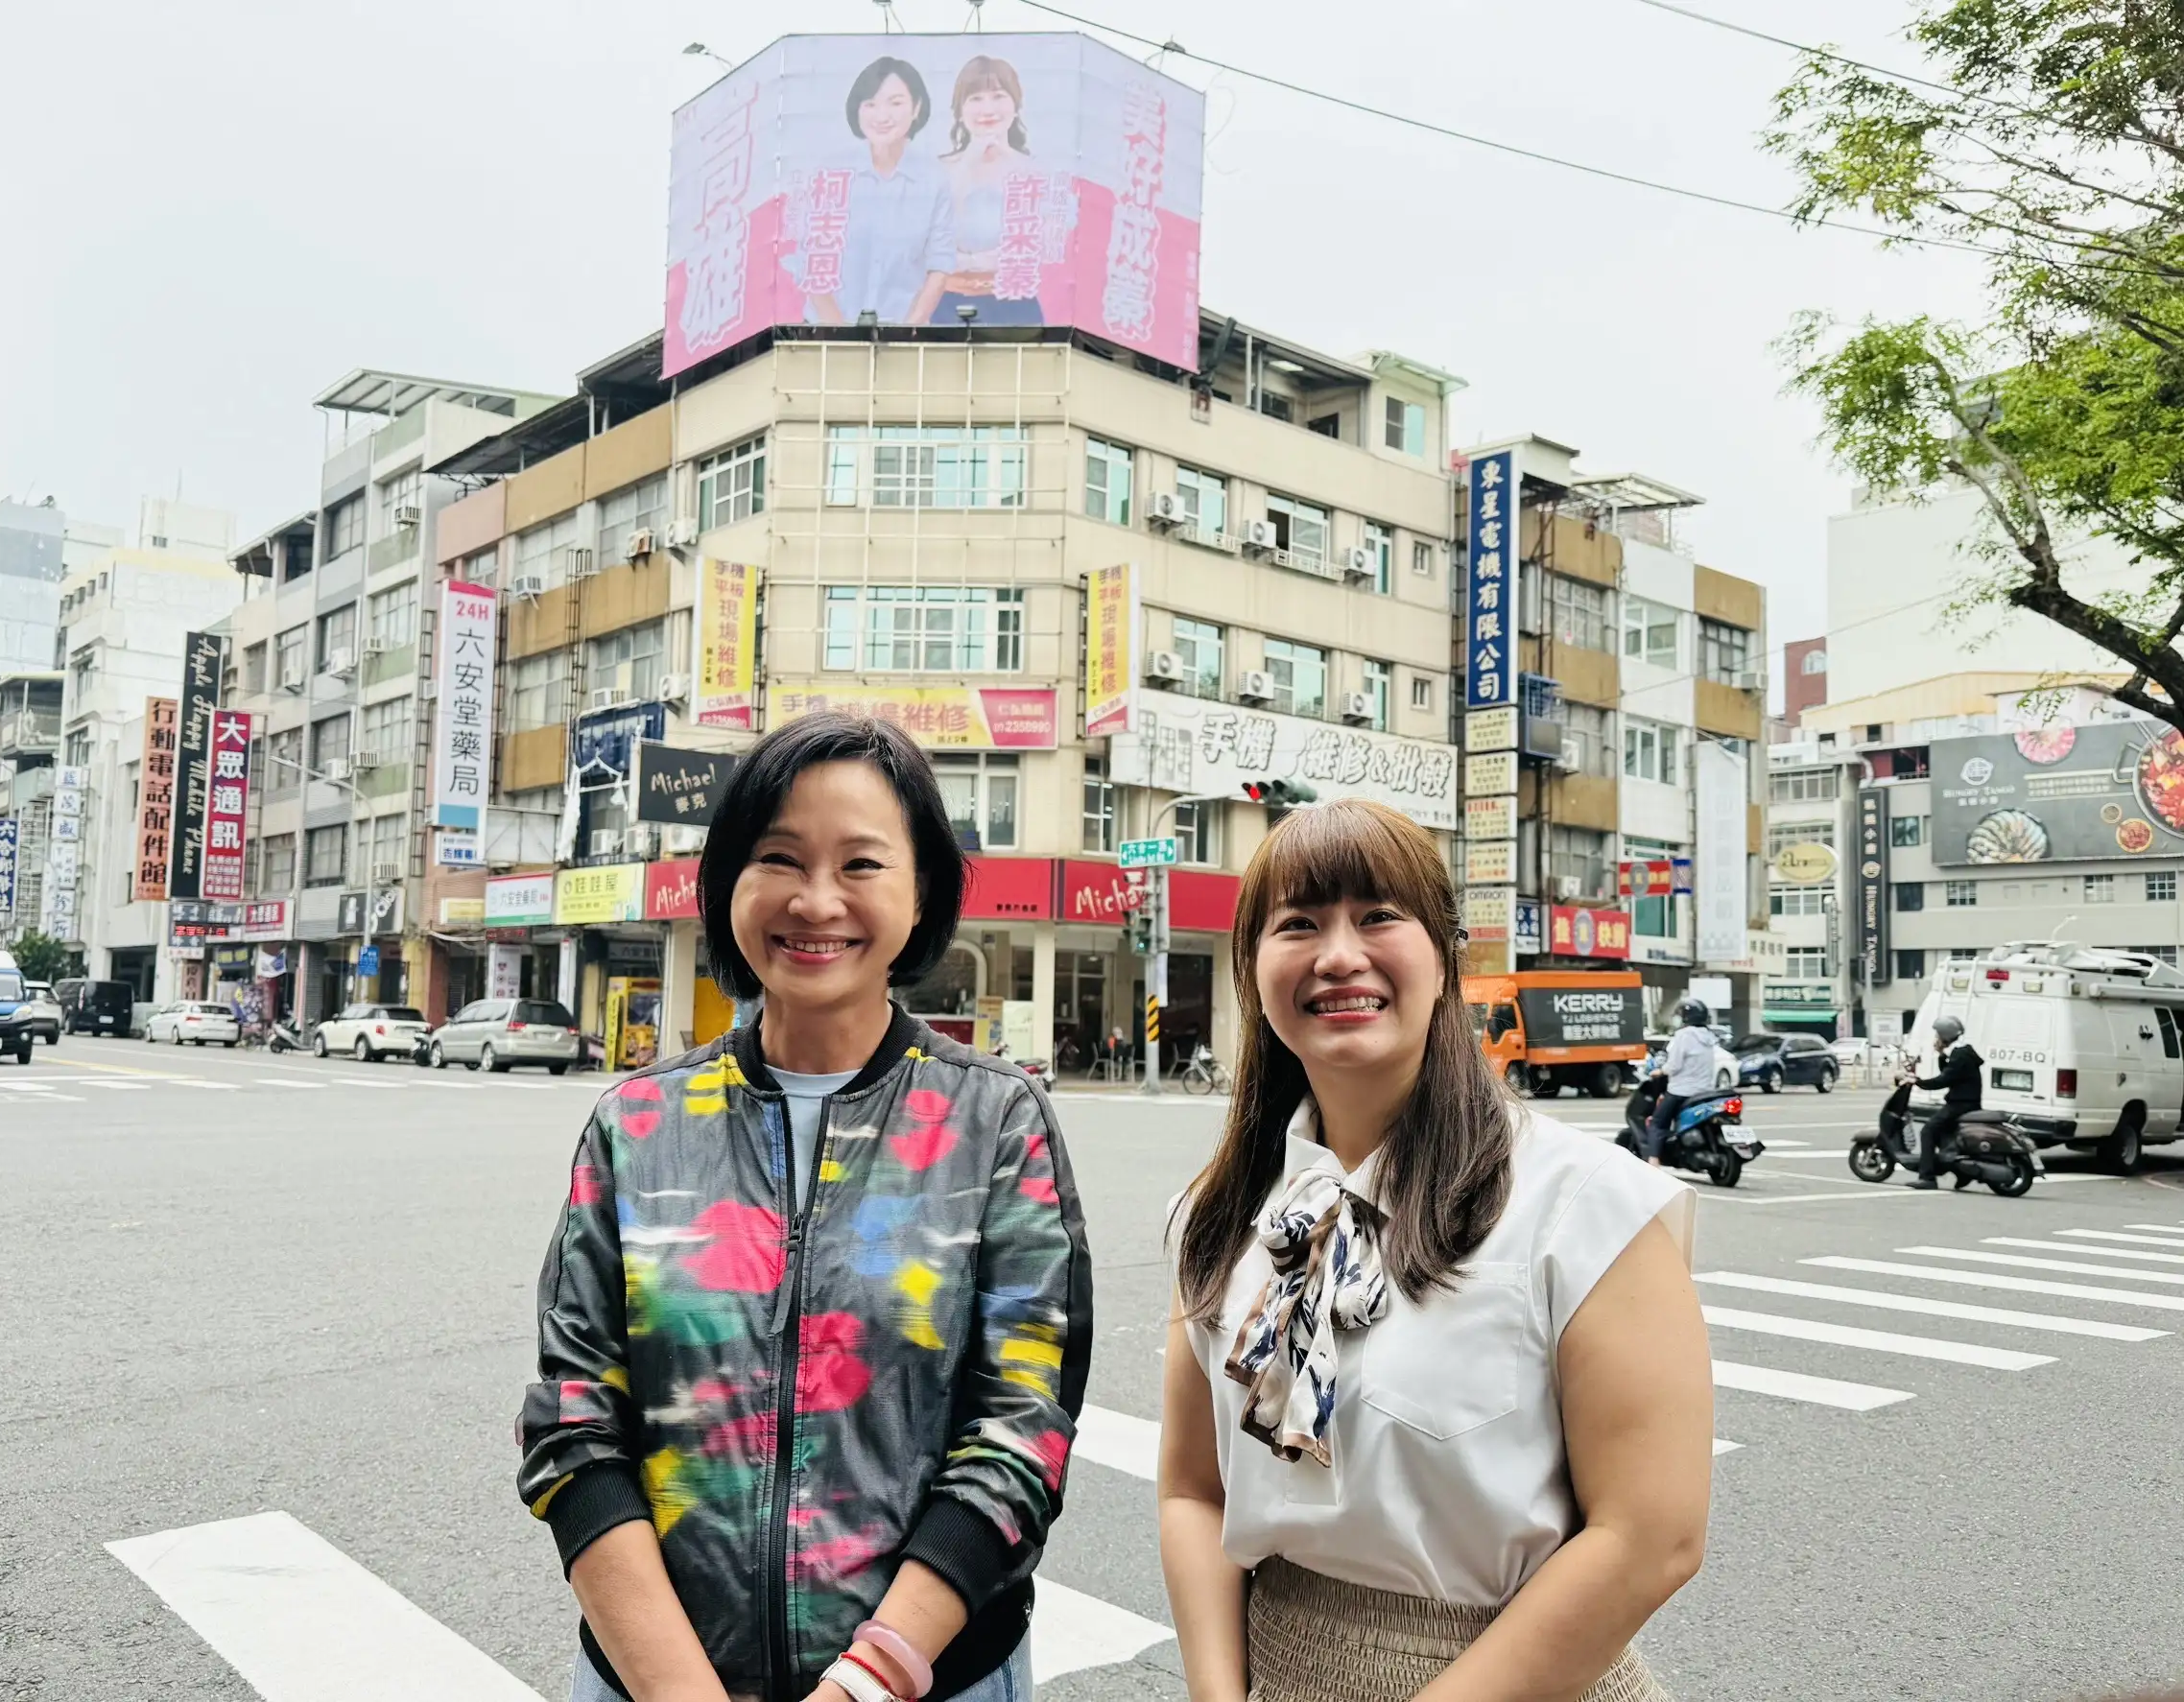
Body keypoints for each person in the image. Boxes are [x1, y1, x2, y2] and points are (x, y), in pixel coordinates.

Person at [519, 712, 1092, 1702]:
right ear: (730, 884)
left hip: (932, 1683)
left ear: (922, 896)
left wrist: (865, 1684)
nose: (815, 899)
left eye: (861, 864)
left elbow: (1018, 1432)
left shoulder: (996, 1120)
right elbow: (575, 1426)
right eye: (778, 858)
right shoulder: (638, 1123)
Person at [1158, 800, 1710, 1702]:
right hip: (1285, 1673)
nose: (1339, 956)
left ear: (1447, 954)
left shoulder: (1584, 1202)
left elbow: (1653, 1537)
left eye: (1379, 916)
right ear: (1251, 970)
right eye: (1298, 925)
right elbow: (1193, 1491)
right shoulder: (1217, 1217)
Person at [804, 58, 954, 328]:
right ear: (857, 111)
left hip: (905, 340)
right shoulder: (833, 174)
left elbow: (939, 267)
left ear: (916, 107)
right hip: (826, 338)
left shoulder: (934, 180)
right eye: (870, 104)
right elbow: (815, 262)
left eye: (895, 103)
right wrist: (841, 335)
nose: (882, 116)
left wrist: (910, 328)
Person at [930, 56, 1045, 327]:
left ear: (1016, 105)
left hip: (1016, 303)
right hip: (949, 301)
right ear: (959, 110)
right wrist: (969, 161)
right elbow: (935, 242)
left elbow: (1040, 244)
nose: (988, 109)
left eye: (998, 96)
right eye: (975, 99)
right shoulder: (941, 170)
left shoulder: (1034, 171)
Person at [1646, 997, 1721, 1169]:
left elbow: (1674, 1065)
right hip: (1704, 1091)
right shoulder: (1708, 1036)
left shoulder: (1684, 1035)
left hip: (1681, 1090)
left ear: (1687, 1017)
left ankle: (1653, 1161)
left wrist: (1660, 1071)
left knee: (1657, 1122)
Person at [1910, 1014, 1982, 1191]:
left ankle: (1927, 1177)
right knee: (1945, 1137)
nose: (1936, 1038)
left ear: (1945, 1035)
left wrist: (1917, 1081)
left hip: (1960, 1104)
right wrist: (1941, 1055)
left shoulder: (1960, 1054)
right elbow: (1950, 1074)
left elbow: (1943, 1080)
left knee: (1928, 1131)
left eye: (1938, 1035)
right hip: (1968, 1103)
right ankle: (1962, 1173)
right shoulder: (1964, 1051)